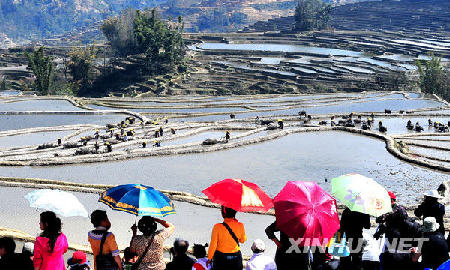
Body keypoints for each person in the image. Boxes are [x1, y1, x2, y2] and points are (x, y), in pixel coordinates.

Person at [207, 206, 246, 270]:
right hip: (236, 257)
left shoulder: (217, 227)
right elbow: (243, 240)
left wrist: (210, 257)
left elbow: (213, 244)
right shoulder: (240, 225)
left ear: (223, 213)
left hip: (220, 257)